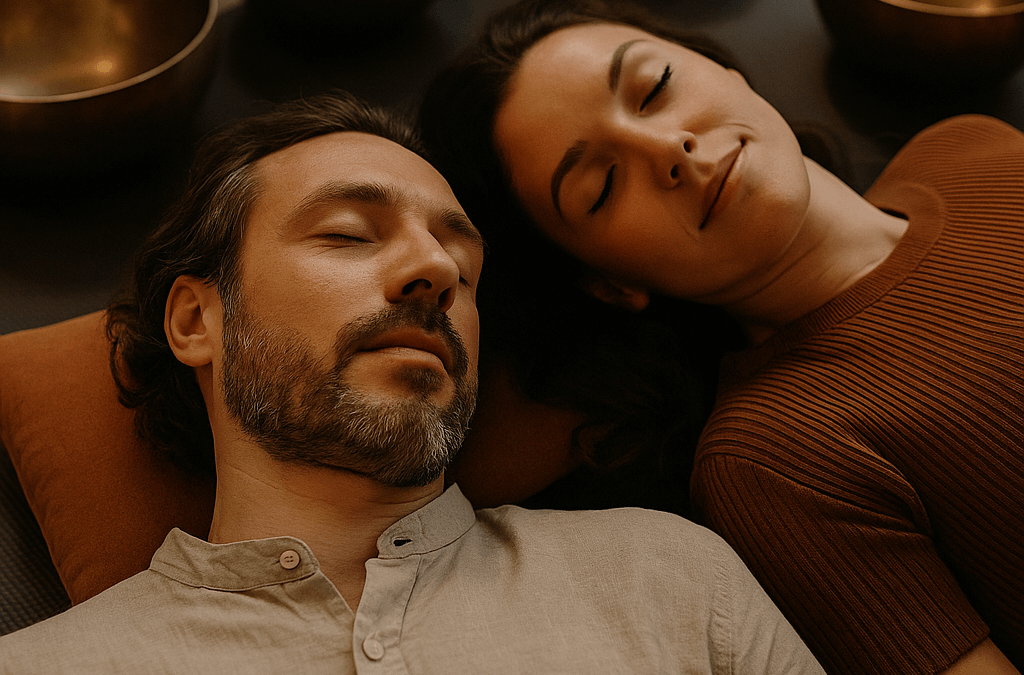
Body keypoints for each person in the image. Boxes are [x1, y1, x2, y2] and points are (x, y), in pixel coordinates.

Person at [0, 92, 824, 674]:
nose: (434, 269)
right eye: (350, 234)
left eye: (463, 267)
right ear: (195, 321)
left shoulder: (668, 578)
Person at [415, 1, 1024, 674]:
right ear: (613, 284)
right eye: (602, 185)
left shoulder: (970, 147)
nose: (667, 149)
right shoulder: (770, 461)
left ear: (726, 68)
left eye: (653, 88)